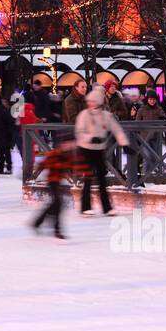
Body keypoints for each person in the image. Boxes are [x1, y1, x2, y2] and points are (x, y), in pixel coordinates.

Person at [72, 87, 128, 216]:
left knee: (102, 179)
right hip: (85, 149)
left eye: (93, 101)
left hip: (99, 150)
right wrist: (91, 138)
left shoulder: (105, 116)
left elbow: (117, 129)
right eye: (89, 101)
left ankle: (107, 208)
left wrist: (124, 144)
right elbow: (79, 132)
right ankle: (85, 207)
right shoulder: (84, 115)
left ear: (98, 102)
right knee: (88, 178)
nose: (90, 104)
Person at [31, 133, 77, 241]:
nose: (70, 146)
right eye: (68, 144)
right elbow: (43, 164)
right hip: (52, 182)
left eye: (72, 144)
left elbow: (69, 167)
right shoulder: (55, 154)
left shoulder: (68, 155)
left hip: (58, 182)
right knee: (58, 205)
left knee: (54, 206)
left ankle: (37, 223)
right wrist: (32, 173)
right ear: (63, 144)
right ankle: (57, 230)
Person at [0, 95, 16, 175]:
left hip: (5, 135)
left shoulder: (2, 111)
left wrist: (9, 134)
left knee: (6, 152)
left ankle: (8, 168)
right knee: (0, 153)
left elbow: (9, 122)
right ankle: (0, 168)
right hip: (0, 135)